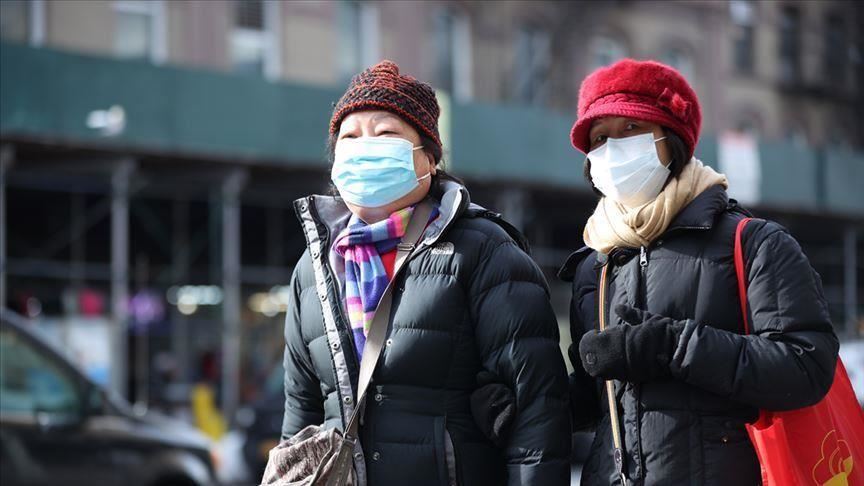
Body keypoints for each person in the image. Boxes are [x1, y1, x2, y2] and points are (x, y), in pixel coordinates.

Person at [280, 60, 571, 486]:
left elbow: (538, 408)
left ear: (429, 159)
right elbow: (301, 414)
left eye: (385, 133)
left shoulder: (483, 250)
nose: (364, 147)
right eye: (350, 137)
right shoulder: (314, 268)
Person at [558, 59, 839, 485]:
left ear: (672, 140)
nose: (613, 149)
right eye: (600, 138)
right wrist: (527, 403)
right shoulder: (592, 265)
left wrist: (671, 346)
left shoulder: (754, 242)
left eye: (631, 128)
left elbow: (806, 367)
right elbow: (600, 398)